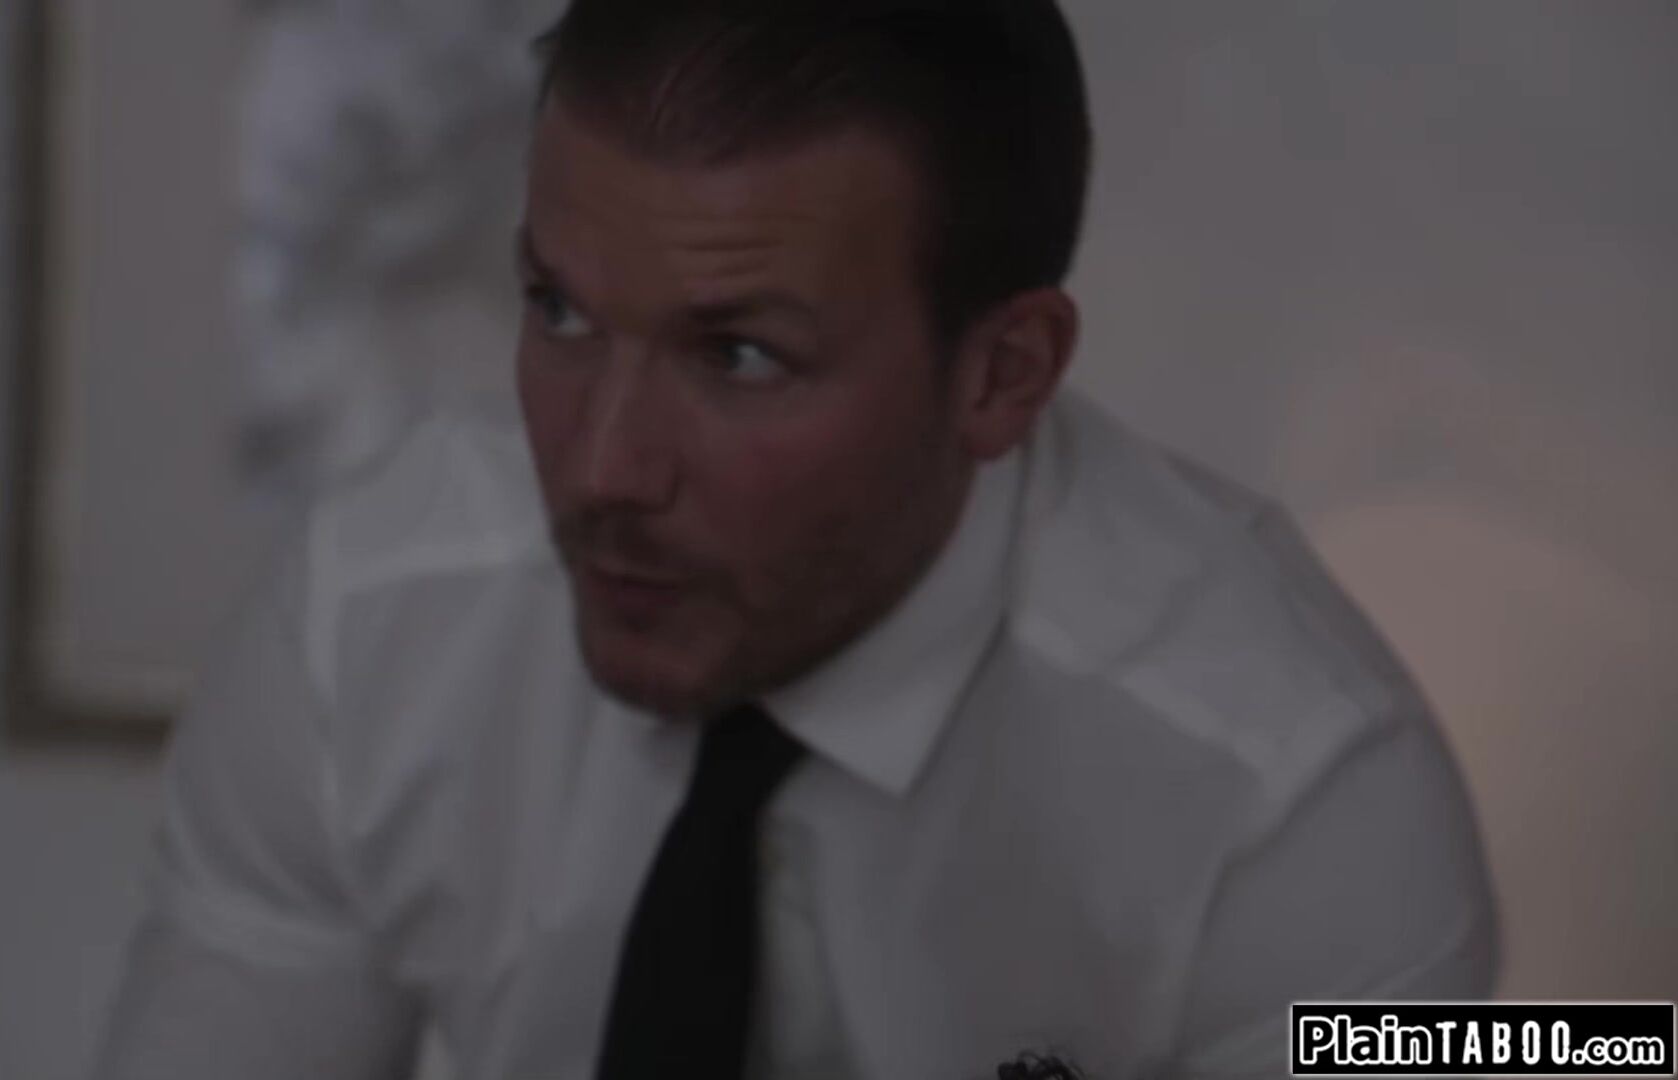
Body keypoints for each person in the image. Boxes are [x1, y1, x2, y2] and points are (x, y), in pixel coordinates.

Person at [91, 1, 1497, 1078]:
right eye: (561, 312)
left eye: (741, 356)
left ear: (1002, 375)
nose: (600, 469)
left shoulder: (1294, 801)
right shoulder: (372, 621)